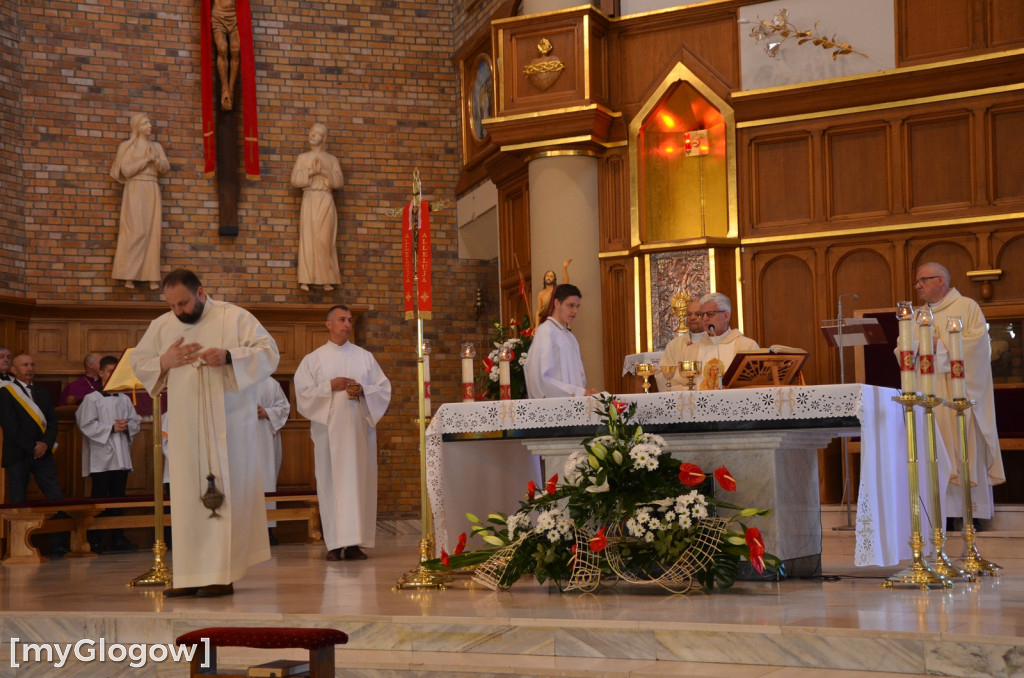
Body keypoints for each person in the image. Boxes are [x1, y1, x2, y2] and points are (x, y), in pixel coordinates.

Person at [131, 269, 279, 598]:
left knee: (222, 497)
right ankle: (190, 575)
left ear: (200, 292)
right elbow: (139, 362)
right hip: (185, 427)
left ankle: (221, 575)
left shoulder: (234, 317)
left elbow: (270, 353)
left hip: (229, 427)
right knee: (187, 500)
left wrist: (229, 356)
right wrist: (164, 361)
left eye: (183, 303)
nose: (178, 311)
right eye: (172, 305)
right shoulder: (162, 326)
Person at [295, 305, 391, 561]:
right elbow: (303, 395)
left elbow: (383, 389)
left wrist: (363, 390)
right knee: (331, 484)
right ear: (329, 324)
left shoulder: (365, 357)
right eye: (341, 320)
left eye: (349, 320)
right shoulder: (313, 359)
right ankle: (335, 544)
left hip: (358, 432)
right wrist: (330, 386)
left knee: (359, 483)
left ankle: (356, 543)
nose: (347, 324)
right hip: (329, 432)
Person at [914, 262, 1005, 525]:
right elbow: (903, 349)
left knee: (963, 448)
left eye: (922, 280)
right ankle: (938, 518)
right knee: (934, 451)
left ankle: (970, 518)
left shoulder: (967, 307)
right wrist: (921, 346)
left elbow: (979, 346)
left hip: (959, 395)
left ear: (940, 280)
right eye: (917, 282)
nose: (918, 286)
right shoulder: (918, 315)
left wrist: (939, 345)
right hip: (930, 396)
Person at [0, 353, 66, 555]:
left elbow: (52, 421)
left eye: (32, 364)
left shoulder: (42, 392)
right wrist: (32, 447)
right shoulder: (6, 393)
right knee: (18, 500)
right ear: (13, 370)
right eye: (24, 365)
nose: (29, 368)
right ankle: (18, 546)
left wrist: (45, 444)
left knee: (55, 497)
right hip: (18, 453)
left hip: (43, 453)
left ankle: (57, 543)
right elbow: (10, 426)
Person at [75, 355, 141, 553]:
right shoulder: (92, 399)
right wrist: (111, 428)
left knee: (119, 497)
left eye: (116, 371)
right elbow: (85, 424)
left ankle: (117, 537)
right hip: (101, 457)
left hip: (121, 455)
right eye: (110, 371)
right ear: (101, 373)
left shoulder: (124, 399)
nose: (113, 375)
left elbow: (135, 421)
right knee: (100, 497)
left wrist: (127, 425)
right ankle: (95, 539)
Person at [110, 113, 170, 290]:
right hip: (135, 189)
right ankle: (128, 275)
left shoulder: (156, 147)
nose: (150, 126)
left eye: (149, 123)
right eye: (145, 123)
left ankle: (151, 276)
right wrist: (146, 160)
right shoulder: (128, 146)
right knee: (135, 231)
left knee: (152, 231)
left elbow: (165, 167)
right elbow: (127, 171)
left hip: (152, 188)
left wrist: (156, 159)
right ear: (137, 127)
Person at [291, 123, 344, 292]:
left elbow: (339, 182)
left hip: (325, 199)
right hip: (309, 199)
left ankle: (326, 278)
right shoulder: (302, 158)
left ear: (323, 138)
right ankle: (306, 279)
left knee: (325, 240)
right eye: (311, 132)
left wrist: (324, 172)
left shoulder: (332, 160)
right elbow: (294, 180)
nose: (312, 135)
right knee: (308, 239)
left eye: (317, 133)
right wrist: (311, 173)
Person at [524, 284, 594, 398]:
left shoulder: (571, 337)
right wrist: (578, 392)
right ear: (557, 303)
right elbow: (540, 378)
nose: (575, 311)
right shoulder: (546, 331)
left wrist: (585, 393)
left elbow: (579, 378)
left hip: (574, 404)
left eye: (577, 306)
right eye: (570, 305)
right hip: (553, 405)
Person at [680, 292, 759, 390]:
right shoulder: (691, 351)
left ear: (726, 316)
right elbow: (678, 384)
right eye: (702, 315)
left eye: (710, 314)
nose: (705, 319)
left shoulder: (747, 347)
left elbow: (755, 383)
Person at [254, 376, 289, 545]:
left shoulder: (270, 383)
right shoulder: (231, 380)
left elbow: (284, 408)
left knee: (266, 481)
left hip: (265, 438)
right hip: (238, 438)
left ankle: (267, 531)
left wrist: (266, 412)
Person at [657, 298, 707, 391]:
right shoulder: (674, 345)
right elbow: (662, 375)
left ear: (706, 316)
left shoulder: (713, 342)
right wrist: (687, 389)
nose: (692, 317)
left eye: (698, 314)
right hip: (679, 396)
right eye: (689, 314)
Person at [212, 0, 240, 110]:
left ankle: (231, 90)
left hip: (235, 15)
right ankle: (225, 89)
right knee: (222, 48)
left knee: (235, 49)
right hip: (218, 15)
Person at [536, 258, 571, 329]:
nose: (548, 278)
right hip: (546, 322)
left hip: (557, 321)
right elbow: (539, 311)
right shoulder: (541, 294)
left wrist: (564, 268)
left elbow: (566, 283)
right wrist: (536, 326)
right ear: (544, 278)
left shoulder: (557, 290)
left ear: (554, 279)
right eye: (547, 276)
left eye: (551, 276)